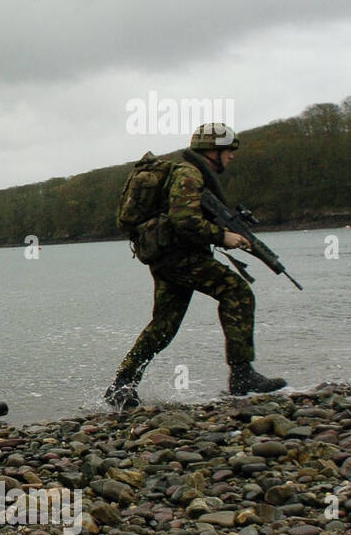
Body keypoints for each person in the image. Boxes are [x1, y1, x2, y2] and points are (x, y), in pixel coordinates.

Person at [106, 122, 287, 409]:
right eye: (229, 150)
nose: (232, 156)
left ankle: (121, 385)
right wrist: (222, 236)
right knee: (236, 292)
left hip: (168, 257)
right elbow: (184, 219)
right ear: (212, 151)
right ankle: (242, 375)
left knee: (163, 326)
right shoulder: (189, 175)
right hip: (180, 257)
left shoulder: (189, 173)